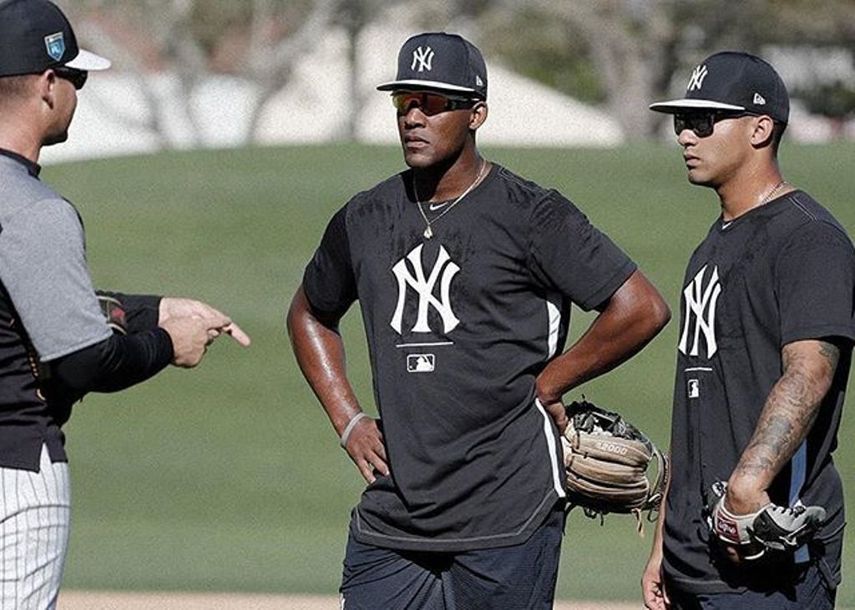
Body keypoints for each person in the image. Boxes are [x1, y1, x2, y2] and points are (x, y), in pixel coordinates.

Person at [288, 31, 670, 609]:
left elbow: (641, 307)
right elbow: (309, 313)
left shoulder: (532, 215)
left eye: (435, 103)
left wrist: (552, 381)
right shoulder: (365, 217)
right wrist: (347, 420)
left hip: (508, 510)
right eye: (403, 101)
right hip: (394, 515)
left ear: (476, 114)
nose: (414, 116)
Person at [0, 1, 251, 607]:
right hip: (15, 470)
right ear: (48, 84)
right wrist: (168, 343)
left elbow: (23, 303)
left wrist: (154, 308)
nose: (78, 95)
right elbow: (83, 360)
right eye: (77, 80)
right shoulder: (35, 211)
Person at [642, 51, 855, 610]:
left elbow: (810, 372)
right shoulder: (710, 246)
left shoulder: (809, 240)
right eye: (682, 121)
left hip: (765, 556)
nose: (687, 135)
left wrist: (747, 484)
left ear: (761, 128)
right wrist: (668, 536)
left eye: (705, 120)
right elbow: (696, 401)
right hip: (695, 553)